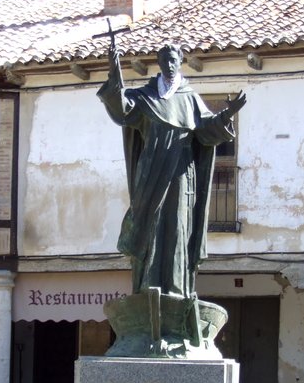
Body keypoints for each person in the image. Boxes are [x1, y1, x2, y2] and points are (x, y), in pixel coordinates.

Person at [98, 43, 246, 298]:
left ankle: (177, 290)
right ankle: (147, 286)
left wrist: (226, 115)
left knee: (178, 226)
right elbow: (122, 110)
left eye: (173, 60)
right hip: (150, 173)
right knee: (150, 226)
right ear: (159, 63)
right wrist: (114, 73)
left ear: (180, 62)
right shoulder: (145, 96)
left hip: (182, 174)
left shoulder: (190, 99)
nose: (169, 65)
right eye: (164, 60)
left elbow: (207, 131)